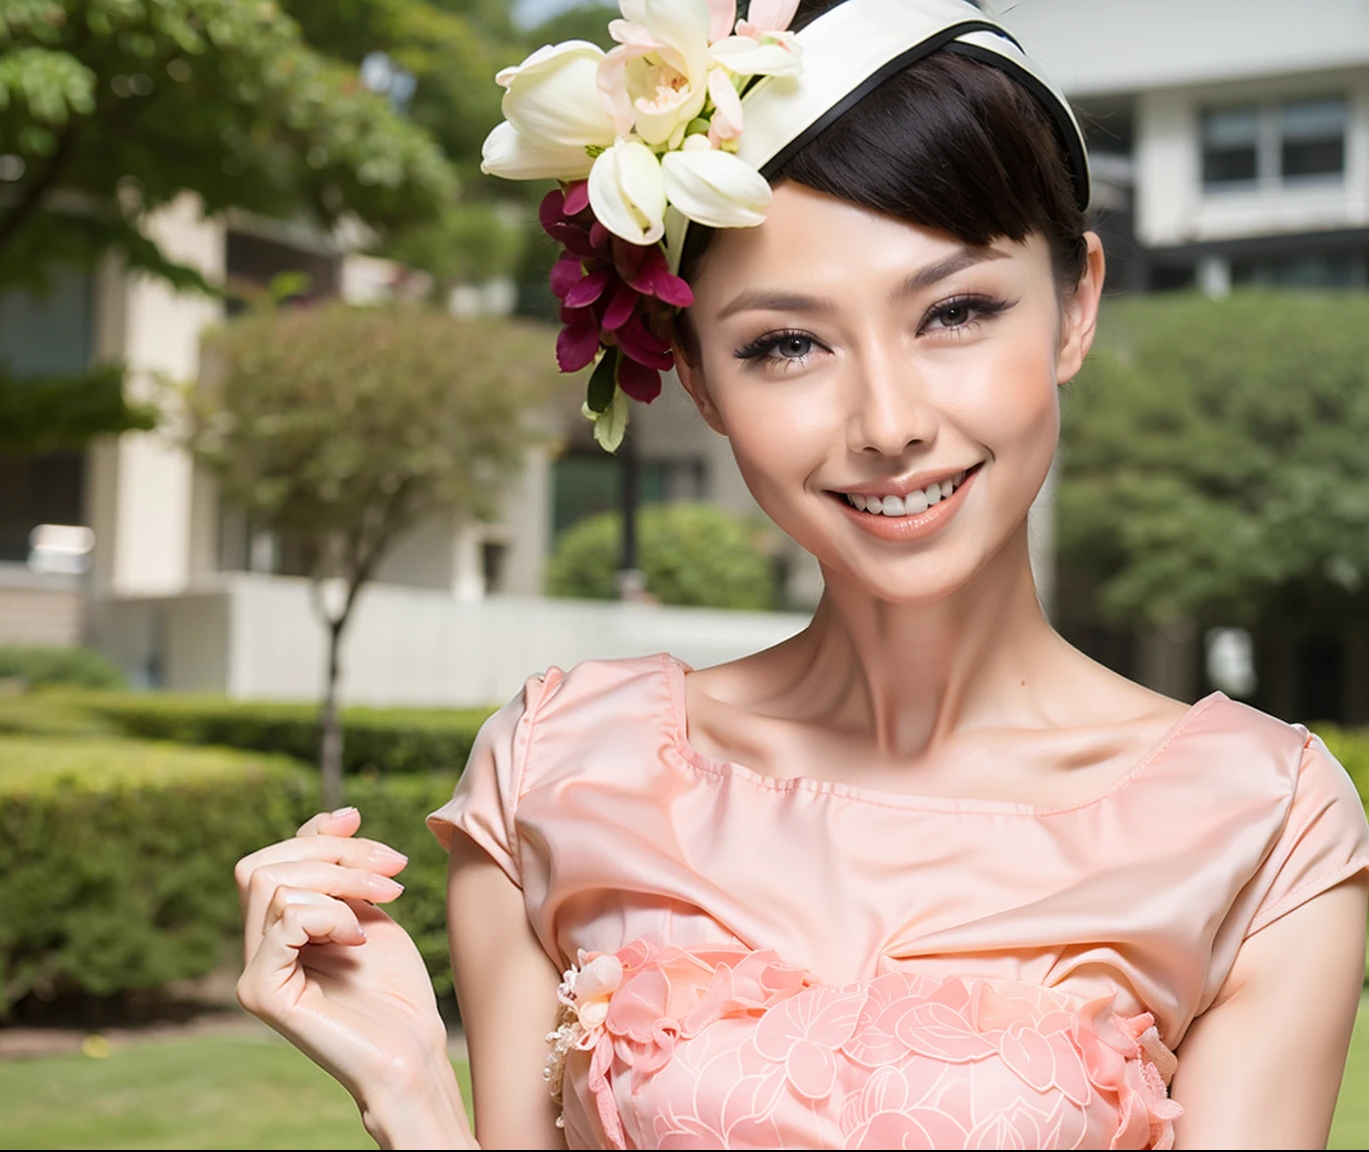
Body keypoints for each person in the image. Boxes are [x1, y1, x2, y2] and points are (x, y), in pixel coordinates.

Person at [232, 2, 1369, 1147]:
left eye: (957, 312)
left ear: (1076, 305)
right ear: (698, 378)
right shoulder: (561, 773)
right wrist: (413, 1089)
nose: (888, 424)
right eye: (787, 344)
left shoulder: (1260, 826)